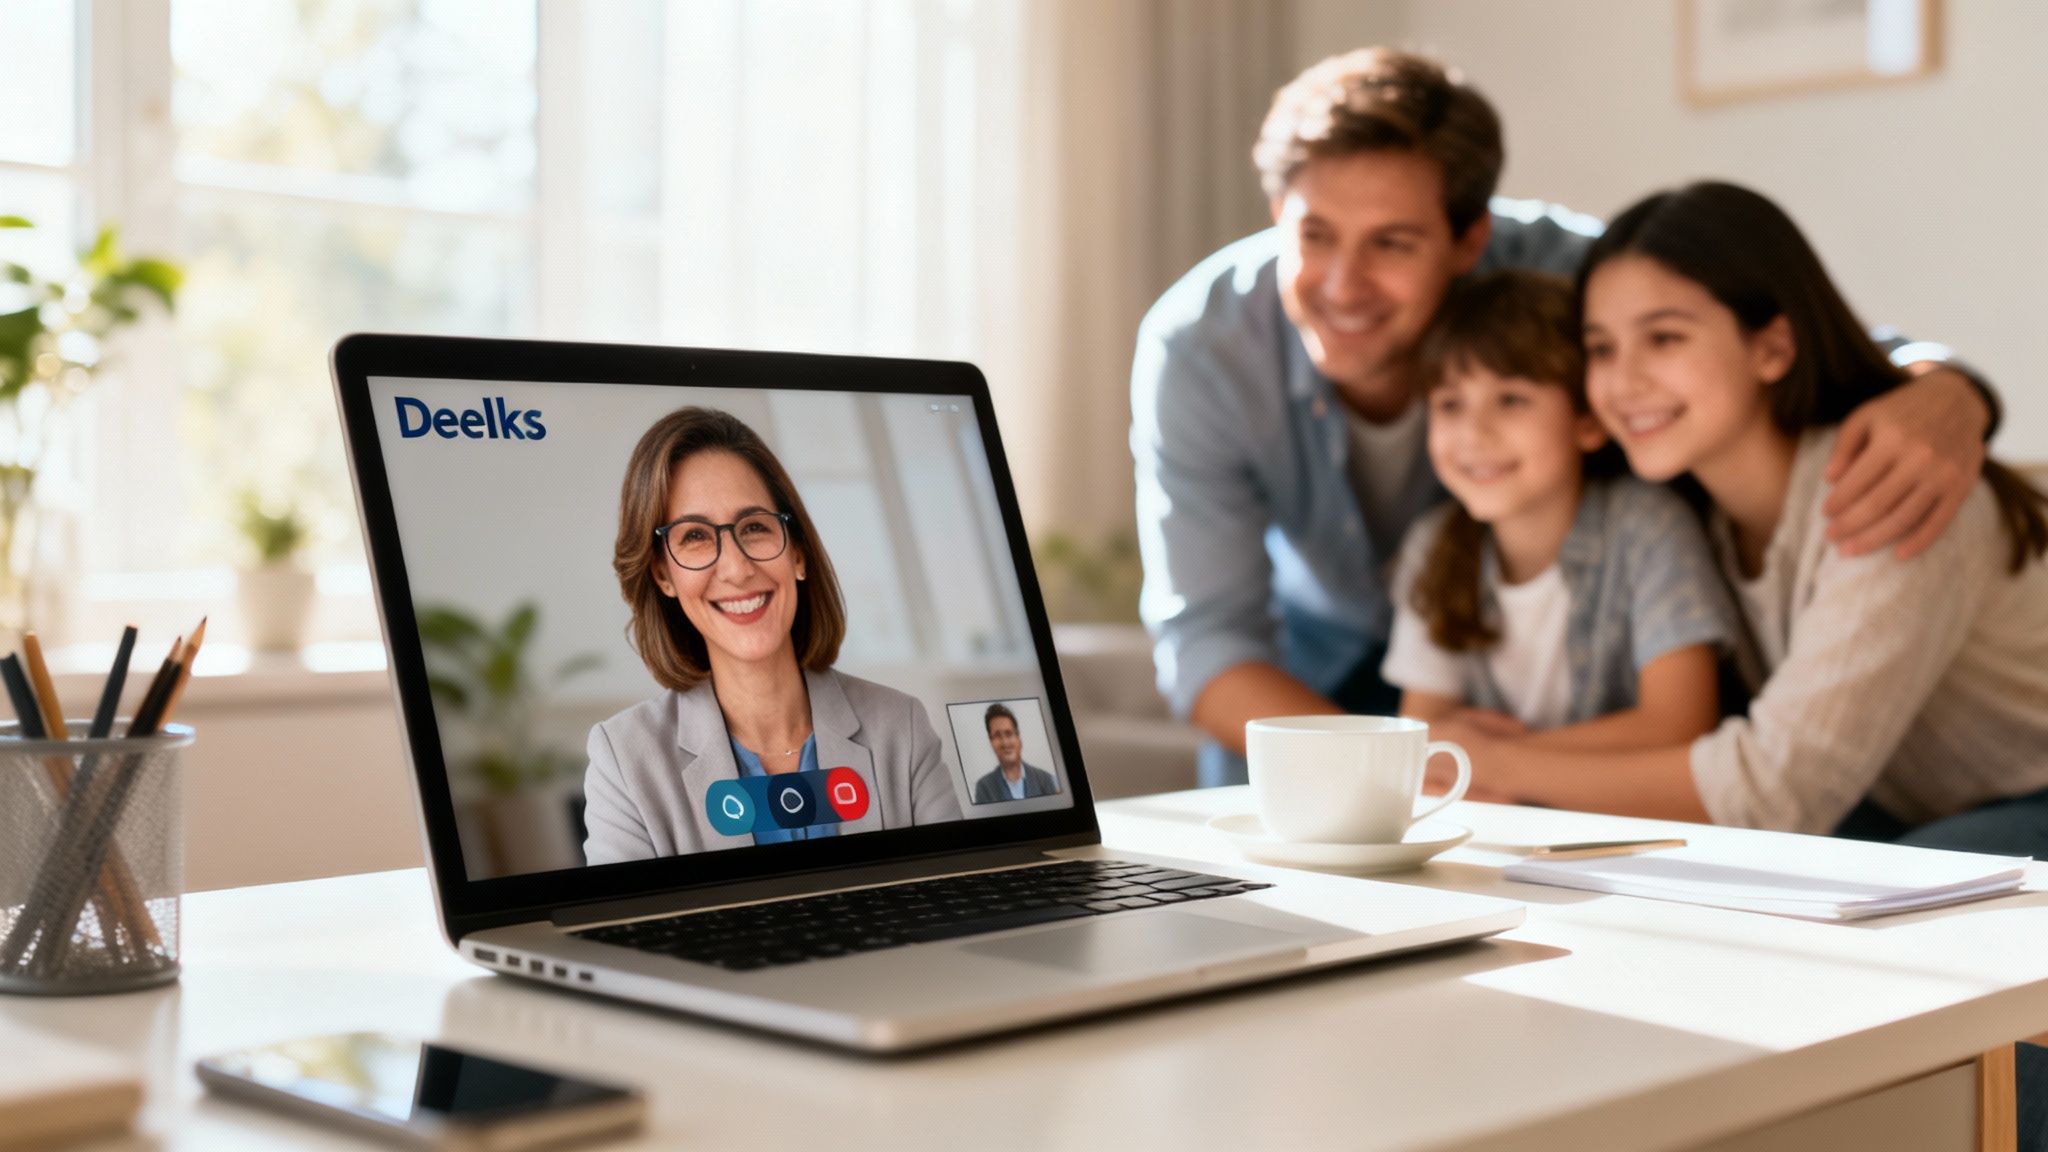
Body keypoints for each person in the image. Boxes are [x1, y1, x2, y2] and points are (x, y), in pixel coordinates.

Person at [1131, 48, 2002, 786]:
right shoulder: (1201, 346)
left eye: (1392, 244)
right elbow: (1209, 642)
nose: (1343, 285)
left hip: (1545, 701)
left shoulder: (1563, 275)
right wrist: (1384, 779)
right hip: (1315, 679)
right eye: (1313, 235)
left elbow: (1784, 334)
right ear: (1277, 215)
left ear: (1471, 240)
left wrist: (1949, 387)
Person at [1437, 181, 2048, 855]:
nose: (1623, 381)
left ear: (1773, 348)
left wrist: (1492, 764)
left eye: (1664, 338)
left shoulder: (1884, 489)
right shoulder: (1690, 510)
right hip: (1903, 801)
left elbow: (1772, 792)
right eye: (1602, 348)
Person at [582, 407, 962, 864]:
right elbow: (624, 933)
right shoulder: (623, 761)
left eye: (755, 528)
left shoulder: (903, 728)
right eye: (696, 537)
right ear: (663, 575)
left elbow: (956, 895)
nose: (738, 569)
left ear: (797, 553)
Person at [1382, 270, 1739, 750]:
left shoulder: (1648, 528)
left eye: (1511, 400)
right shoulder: (1433, 544)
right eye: (1450, 405)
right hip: (1499, 815)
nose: (1473, 434)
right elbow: (1421, 737)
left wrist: (1495, 759)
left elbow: (1679, 725)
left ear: (1588, 422)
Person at [969, 702, 1059, 804]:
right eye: (997, 736)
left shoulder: (1045, 779)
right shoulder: (983, 787)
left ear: (1018, 739)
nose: (1005, 742)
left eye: (1009, 734)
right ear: (991, 742)